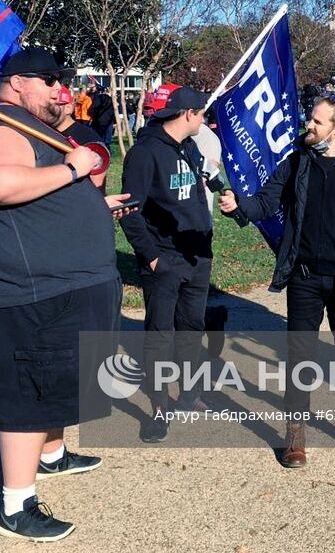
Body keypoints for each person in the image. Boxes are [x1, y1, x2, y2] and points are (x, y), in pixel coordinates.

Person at [0, 46, 131, 542]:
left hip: (61, 286)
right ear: (15, 84)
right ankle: (15, 506)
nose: (60, 89)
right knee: (29, 392)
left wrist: (91, 202)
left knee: (53, 382)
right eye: (48, 80)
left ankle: (51, 455)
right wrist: (74, 170)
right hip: (28, 293)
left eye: (61, 79)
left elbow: (37, 192)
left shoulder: (32, 130)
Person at [220, 93, 335, 468]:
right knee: (300, 358)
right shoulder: (298, 161)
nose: (308, 126)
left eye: (317, 121)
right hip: (304, 277)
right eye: (309, 119)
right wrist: (239, 205)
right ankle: (295, 434)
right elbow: (266, 201)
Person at [119, 85, 214, 443]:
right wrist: (154, 257)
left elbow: (196, 190)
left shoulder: (189, 148)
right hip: (165, 260)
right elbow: (129, 213)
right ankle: (158, 408)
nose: (204, 119)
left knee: (191, 329)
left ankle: (189, 394)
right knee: (160, 336)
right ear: (188, 114)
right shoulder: (145, 154)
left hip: (197, 255)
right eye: (201, 113)